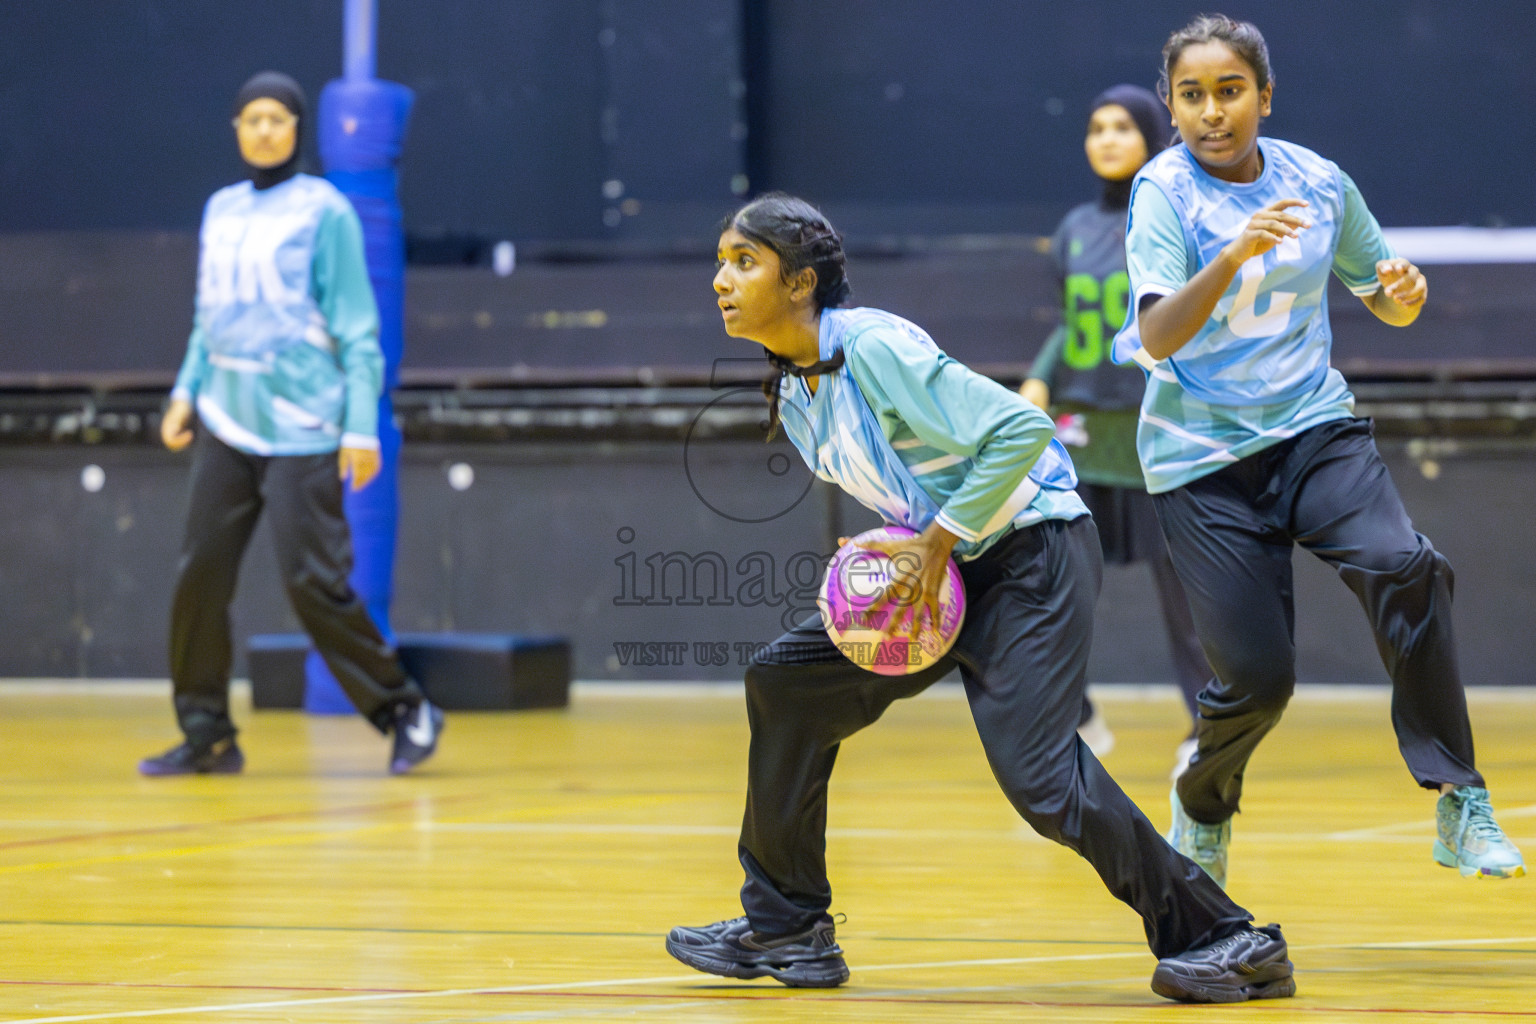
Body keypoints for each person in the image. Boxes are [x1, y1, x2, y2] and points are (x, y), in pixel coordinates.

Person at [664, 193, 1296, 1004]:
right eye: (720, 261)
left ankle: (1229, 937)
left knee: (1041, 777)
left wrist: (935, 537)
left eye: (742, 261)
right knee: (787, 686)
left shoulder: (876, 348)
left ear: (801, 283)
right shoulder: (794, 390)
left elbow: (1019, 432)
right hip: (948, 570)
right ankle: (788, 927)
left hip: (1034, 553)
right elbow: (916, 485)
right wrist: (894, 542)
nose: (721, 279)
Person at [1112, 15, 1524, 885]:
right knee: (1259, 680)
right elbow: (1154, 336)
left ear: (1264, 95)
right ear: (1172, 106)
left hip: (1312, 431)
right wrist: (1231, 258)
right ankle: (1204, 800)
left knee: (1404, 563)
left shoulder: (1321, 182)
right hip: (1202, 458)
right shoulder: (1163, 193)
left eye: (1230, 92)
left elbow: (1387, 296)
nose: (1212, 112)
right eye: (1193, 96)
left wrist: (1404, 294)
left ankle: (1458, 796)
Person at [139, 71, 442, 777]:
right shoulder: (221, 209)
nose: (265, 129)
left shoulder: (325, 210)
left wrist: (359, 426)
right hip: (226, 420)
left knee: (314, 583)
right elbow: (208, 315)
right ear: (238, 129)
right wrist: (186, 392)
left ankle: (404, 708)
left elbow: (358, 330)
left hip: (306, 425)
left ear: (297, 129)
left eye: (278, 117)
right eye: (253, 118)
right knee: (199, 579)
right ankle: (207, 731)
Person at [1020, 85, 1212, 775]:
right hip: (1082, 430)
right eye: (1095, 126)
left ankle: (1207, 727)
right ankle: (1071, 718)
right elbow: (1075, 325)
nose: (1105, 138)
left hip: (1160, 428)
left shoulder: (1179, 220)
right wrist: (1040, 378)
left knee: (1186, 594)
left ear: (1154, 136)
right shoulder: (1073, 228)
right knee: (1054, 578)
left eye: (1122, 127)